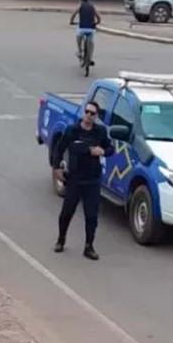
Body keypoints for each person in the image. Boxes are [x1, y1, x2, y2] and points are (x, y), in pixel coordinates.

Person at [51, 101, 114, 261]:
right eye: (87, 111)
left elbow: (110, 148)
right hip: (75, 179)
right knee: (66, 212)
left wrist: (103, 151)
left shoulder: (100, 132)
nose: (88, 115)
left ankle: (89, 246)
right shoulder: (73, 130)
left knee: (91, 216)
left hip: (92, 180)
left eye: (92, 113)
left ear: (96, 116)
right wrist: (57, 167)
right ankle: (61, 239)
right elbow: (61, 147)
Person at [70, 0, 101, 66]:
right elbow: (98, 17)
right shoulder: (92, 6)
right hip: (91, 28)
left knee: (78, 37)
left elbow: (73, 14)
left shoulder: (80, 6)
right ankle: (89, 58)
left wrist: (71, 22)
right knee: (91, 43)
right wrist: (97, 22)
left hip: (82, 27)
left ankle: (80, 51)